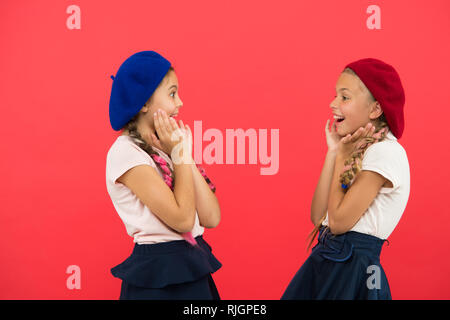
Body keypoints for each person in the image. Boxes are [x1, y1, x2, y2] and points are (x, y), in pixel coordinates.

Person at [281, 58, 410, 300]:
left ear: (375, 109)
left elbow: (339, 223)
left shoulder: (386, 152)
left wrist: (341, 158)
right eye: (335, 95)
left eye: (344, 97)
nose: (332, 103)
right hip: (328, 262)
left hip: (352, 272)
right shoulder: (356, 150)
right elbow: (319, 215)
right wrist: (333, 153)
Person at [106, 51, 221, 299]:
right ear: (144, 103)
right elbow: (182, 219)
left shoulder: (168, 150)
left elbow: (211, 217)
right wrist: (179, 155)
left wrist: (184, 156)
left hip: (192, 265)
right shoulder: (125, 152)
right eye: (172, 93)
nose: (179, 103)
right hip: (158, 278)